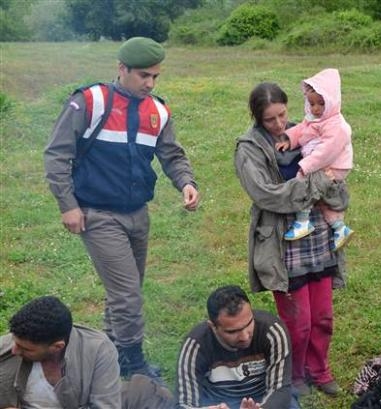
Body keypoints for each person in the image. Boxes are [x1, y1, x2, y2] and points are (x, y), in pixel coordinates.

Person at [43, 36, 200, 380]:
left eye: (155, 77)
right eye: (144, 75)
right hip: (97, 215)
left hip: (138, 214)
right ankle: (132, 365)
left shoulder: (157, 110)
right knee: (127, 296)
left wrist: (186, 182)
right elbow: (57, 154)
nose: (150, 83)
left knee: (126, 293)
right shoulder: (90, 101)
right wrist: (68, 206)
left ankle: (106, 354)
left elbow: (172, 154)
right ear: (121, 69)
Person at [234, 82, 349, 396]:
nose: (279, 124)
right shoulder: (249, 147)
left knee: (323, 316)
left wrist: (331, 184)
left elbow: (334, 171)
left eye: (282, 115)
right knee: (297, 322)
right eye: (270, 120)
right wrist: (315, 185)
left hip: (318, 235)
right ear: (258, 118)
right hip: (282, 242)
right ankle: (293, 374)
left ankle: (320, 370)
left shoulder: (306, 132)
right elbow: (267, 195)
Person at [0, 295, 175, 409]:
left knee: (153, 397)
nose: (14, 350)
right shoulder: (6, 347)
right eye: (15, 342)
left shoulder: (97, 350)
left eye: (26, 349)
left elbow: (106, 405)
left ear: (57, 347)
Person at [176, 285, 297, 409]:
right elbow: (183, 403)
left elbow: (280, 389)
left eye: (249, 324)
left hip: (266, 399)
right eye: (232, 332)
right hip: (219, 401)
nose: (244, 337)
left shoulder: (272, 330)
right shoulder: (196, 344)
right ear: (213, 327)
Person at [275, 68, 354, 251]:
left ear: (332, 101)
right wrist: (289, 139)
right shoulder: (315, 119)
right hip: (325, 164)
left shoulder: (337, 125)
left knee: (305, 183)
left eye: (321, 103)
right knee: (324, 198)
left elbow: (327, 151)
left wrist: (307, 165)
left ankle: (303, 222)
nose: (316, 109)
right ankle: (339, 229)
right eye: (312, 104)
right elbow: (302, 129)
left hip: (333, 165)